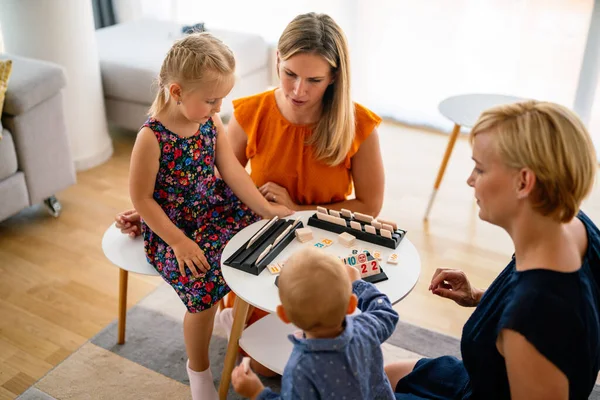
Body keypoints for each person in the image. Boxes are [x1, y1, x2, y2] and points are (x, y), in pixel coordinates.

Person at [116, 12, 386, 375]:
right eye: (290, 73)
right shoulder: (251, 112)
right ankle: (232, 321)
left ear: (334, 77)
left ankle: (237, 323)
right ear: (277, 60)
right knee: (266, 366)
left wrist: (298, 209)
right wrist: (156, 210)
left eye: (314, 80)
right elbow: (212, 175)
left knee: (333, 346)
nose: (298, 90)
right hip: (266, 242)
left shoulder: (360, 125)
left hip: (321, 241)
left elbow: (369, 206)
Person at [387, 101, 600, 400]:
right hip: (483, 379)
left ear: (524, 181)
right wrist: (480, 297)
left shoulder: (533, 318)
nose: (470, 180)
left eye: (480, 168)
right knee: (382, 375)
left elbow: (542, 318)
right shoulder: (572, 224)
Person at [128, 32, 291, 400]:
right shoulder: (151, 138)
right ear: (176, 92)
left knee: (258, 244)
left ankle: (230, 316)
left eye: (222, 100)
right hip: (174, 228)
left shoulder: (209, 122)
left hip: (213, 209)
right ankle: (198, 372)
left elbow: (232, 171)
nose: (219, 108)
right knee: (201, 286)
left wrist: (265, 209)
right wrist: (179, 242)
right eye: (212, 100)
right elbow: (141, 199)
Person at [231, 247, 399, 399]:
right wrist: (358, 284)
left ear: (283, 315)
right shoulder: (366, 327)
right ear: (351, 305)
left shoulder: (300, 368)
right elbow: (386, 313)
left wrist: (257, 393)